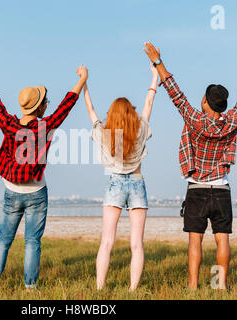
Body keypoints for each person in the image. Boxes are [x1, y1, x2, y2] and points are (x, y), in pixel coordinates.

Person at [143, 42, 237, 290]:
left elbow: (174, 92)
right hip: (221, 189)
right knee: (222, 240)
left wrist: (158, 62)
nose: (201, 98)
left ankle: (192, 286)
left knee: (195, 241)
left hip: (197, 189)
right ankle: (219, 285)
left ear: (207, 103)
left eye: (204, 96)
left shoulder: (195, 120)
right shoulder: (232, 121)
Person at [0, 65, 88, 290]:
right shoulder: (45, 126)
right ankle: (30, 287)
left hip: (12, 190)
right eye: (44, 102)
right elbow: (66, 105)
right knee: (32, 241)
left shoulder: (9, 125)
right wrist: (82, 79)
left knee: (3, 239)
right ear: (40, 107)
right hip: (37, 192)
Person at [82, 64, 157, 291]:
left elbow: (91, 109)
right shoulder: (141, 129)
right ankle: (133, 289)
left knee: (107, 242)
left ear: (112, 115)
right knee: (136, 244)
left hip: (114, 183)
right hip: (137, 182)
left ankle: (99, 287)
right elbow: (148, 103)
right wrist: (154, 77)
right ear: (131, 114)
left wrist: (84, 82)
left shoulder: (105, 134)